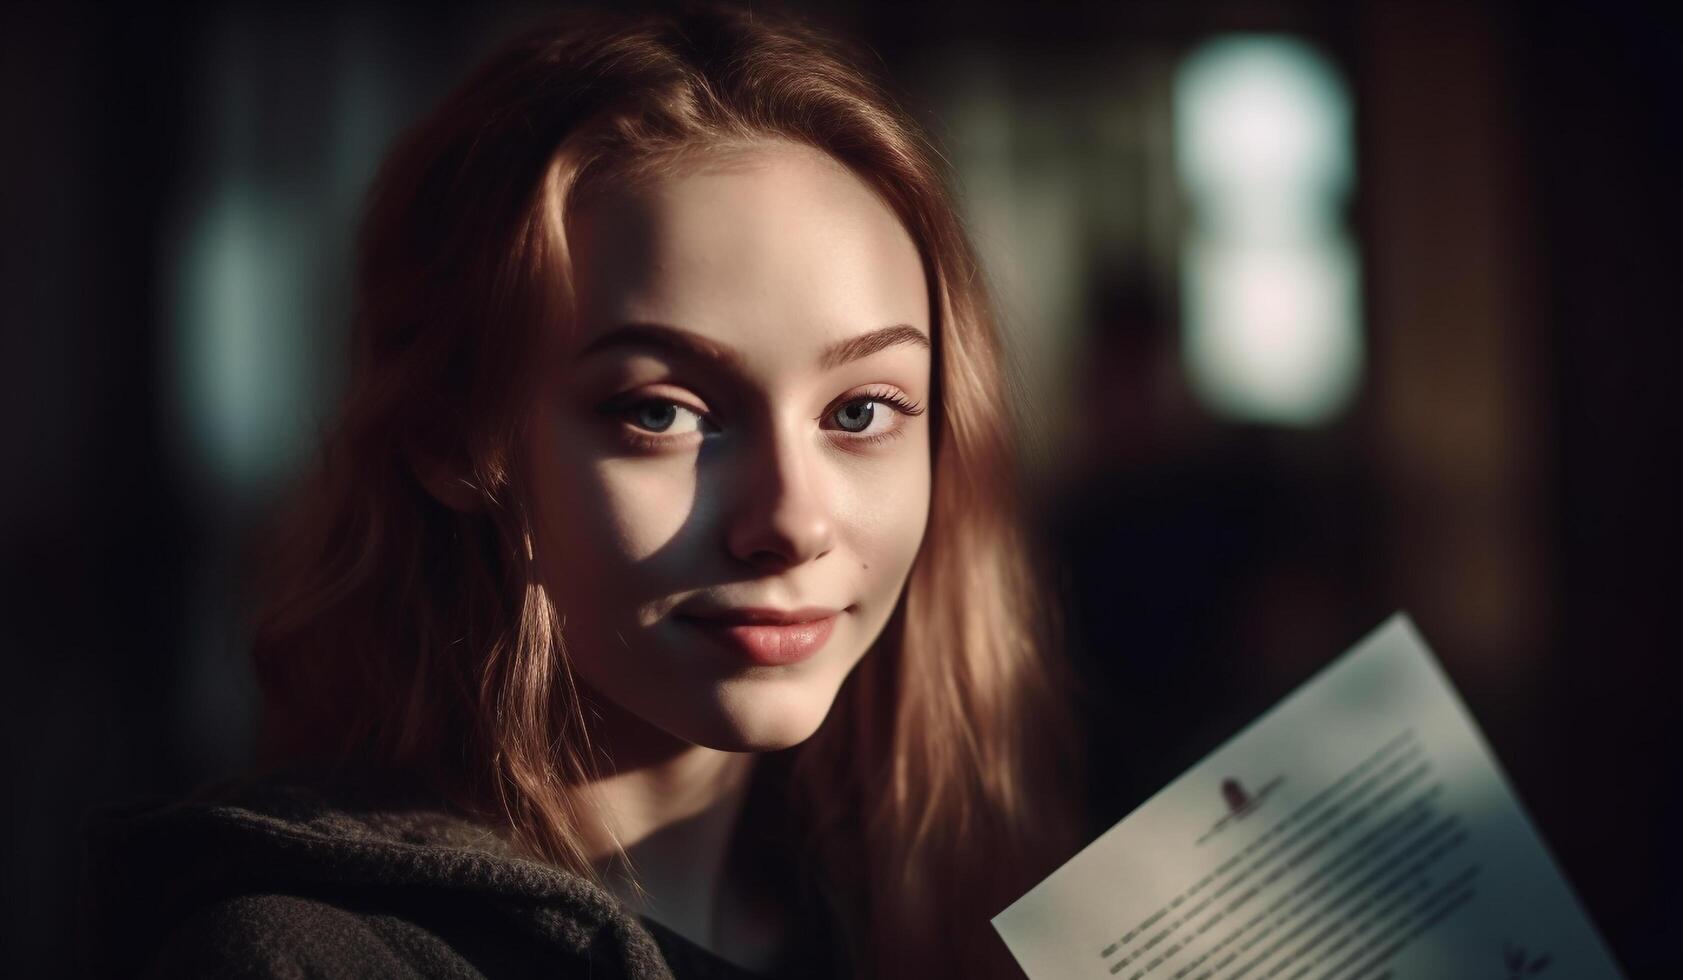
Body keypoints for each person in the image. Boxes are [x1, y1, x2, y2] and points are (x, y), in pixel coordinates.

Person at [80, 3, 1083, 977]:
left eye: (859, 410)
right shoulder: (298, 957)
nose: (790, 520)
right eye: (662, 411)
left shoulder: (941, 917)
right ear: (451, 436)